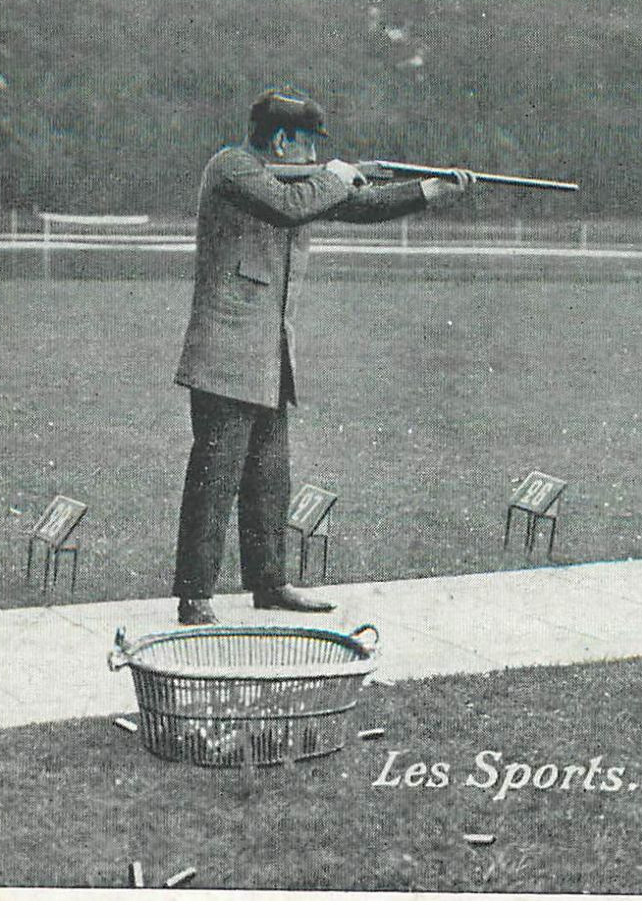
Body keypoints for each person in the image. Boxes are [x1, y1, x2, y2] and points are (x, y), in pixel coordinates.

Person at [171, 88, 474, 625]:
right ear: (285, 139)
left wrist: (430, 190)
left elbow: (362, 205)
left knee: (269, 480)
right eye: (307, 144)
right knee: (214, 480)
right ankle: (195, 597)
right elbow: (291, 206)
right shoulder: (234, 167)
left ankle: (271, 585)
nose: (312, 155)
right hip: (225, 356)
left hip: (267, 357)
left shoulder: (298, 180)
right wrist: (337, 175)